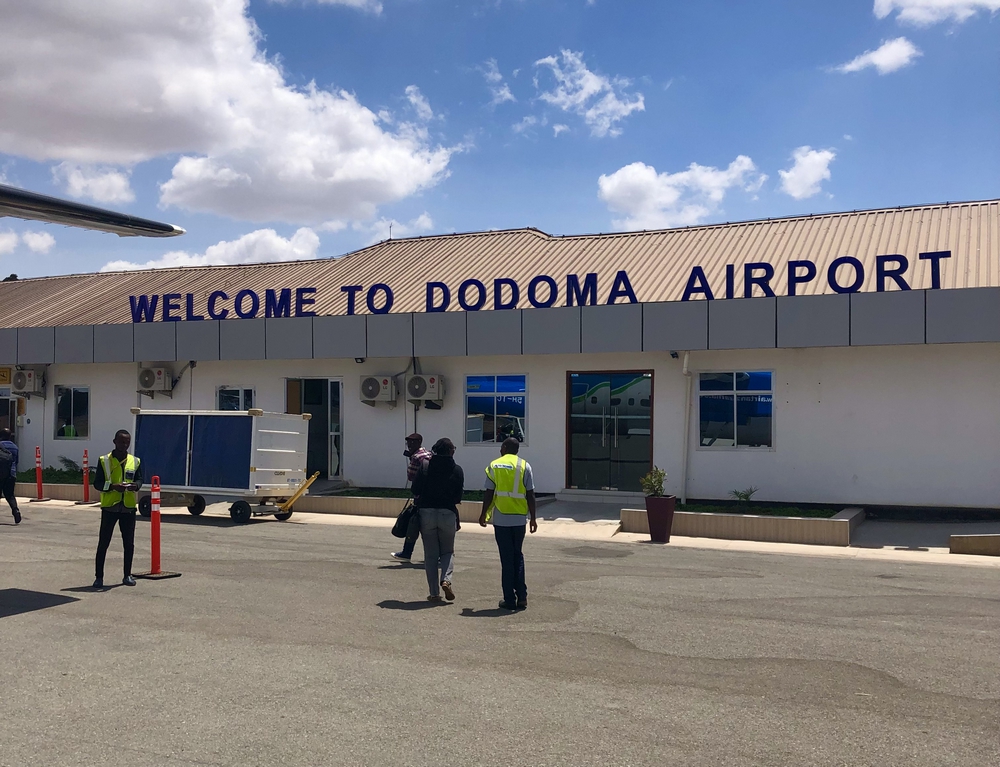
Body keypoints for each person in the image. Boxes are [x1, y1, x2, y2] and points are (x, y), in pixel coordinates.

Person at [479, 437, 537, 610]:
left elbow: (489, 493)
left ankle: (509, 599)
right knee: (517, 555)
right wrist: (533, 518)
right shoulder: (525, 466)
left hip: (502, 519)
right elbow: (531, 494)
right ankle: (522, 597)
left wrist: (483, 514)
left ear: (504, 447)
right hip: (519, 518)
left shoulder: (494, 465)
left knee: (506, 559)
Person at [411, 437, 463, 602]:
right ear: (449, 451)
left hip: (426, 513)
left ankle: (434, 593)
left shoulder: (425, 466)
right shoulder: (457, 469)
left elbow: (415, 488)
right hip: (447, 513)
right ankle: (446, 580)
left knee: (431, 555)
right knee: (447, 551)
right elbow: (457, 497)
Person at [92, 429, 143, 588]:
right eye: (121, 441)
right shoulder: (104, 460)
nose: (124, 444)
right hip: (110, 508)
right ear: (114, 442)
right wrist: (113, 487)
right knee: (103, 543)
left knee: (129, 544)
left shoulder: (135, 461)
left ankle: (127, 575)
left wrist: (136, 486)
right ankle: (99, 577)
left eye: (127, 442)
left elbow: (140, 479)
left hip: (128, 508)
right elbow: (97, 483)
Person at [391, 433, 432, 562]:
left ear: (419, 442)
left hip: (420, 497)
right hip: (432, 496)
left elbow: (411, 477)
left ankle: (406, 553)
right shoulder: (429, 454)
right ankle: (438, 555)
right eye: (408, 443)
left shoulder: (416, 457)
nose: (409, 445)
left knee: (413, 525)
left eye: (412, 442)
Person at [0, 428, 20, 524]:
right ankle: (15, 510)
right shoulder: (15, 447)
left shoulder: (0, 445)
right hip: (11, 474)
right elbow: (16, 462)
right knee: (10, 495)